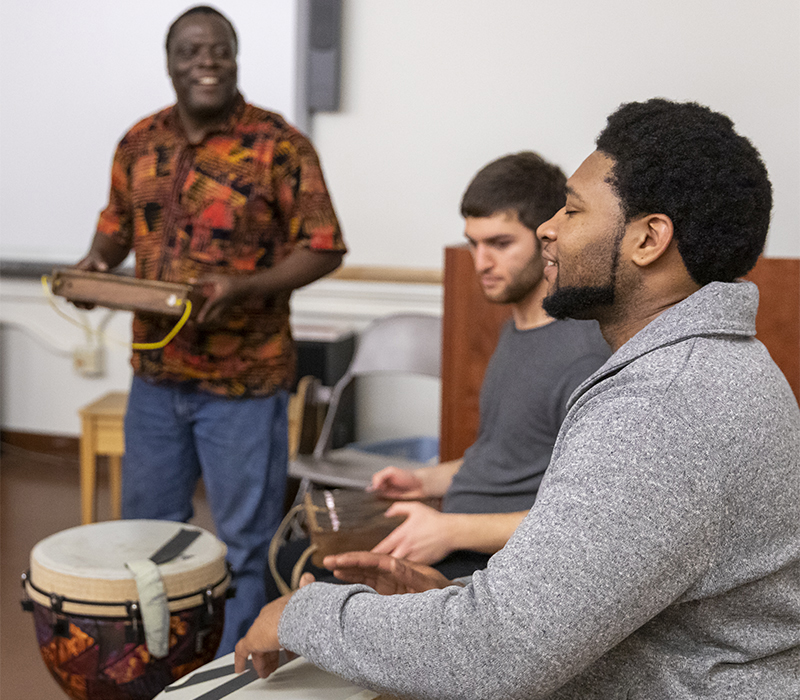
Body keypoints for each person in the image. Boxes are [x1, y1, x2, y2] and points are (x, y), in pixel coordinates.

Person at [235, 98, 800, 698]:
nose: (549, 228)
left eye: (573, 210)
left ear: (648, 239)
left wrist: (305, 613)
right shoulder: (708, 370)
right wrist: (453, 601)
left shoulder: (664, 408)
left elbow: (493, 655)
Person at [74, 5, 345, 655]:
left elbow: (325, 245)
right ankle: (156, 660)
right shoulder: (138, 142)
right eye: (192, 50)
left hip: (245, 386)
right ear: (170, 62)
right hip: (156, 382)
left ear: (236, 57)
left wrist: (247, 289)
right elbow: (117, 226)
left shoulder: (280, 144)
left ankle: (232, 674)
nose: (207, 61)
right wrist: (93, 268)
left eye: (220, 49)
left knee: (247, 547)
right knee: (148, 535)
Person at [264, 153, 609, 599]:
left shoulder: (583, 355)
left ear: (548, 236)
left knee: (317, 585)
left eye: (500, 243)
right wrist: (424, 482)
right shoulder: (516, 330)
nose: (481, 261)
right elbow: (505, 460)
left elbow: (583, 519)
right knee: (291, 555)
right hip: (456, 529)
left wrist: (449, 530)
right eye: (473, 243)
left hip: (495, 560)